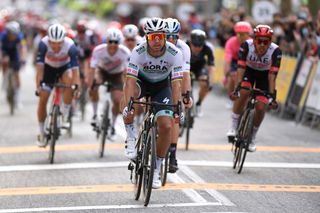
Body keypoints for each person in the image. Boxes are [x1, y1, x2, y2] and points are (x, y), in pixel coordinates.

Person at [122, 17, 183, 189]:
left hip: (162, 86)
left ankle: (156, 168)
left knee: (166, 126)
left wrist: (177, 107)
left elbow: (176, 84)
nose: (156, 41)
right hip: (142, 82)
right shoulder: (138, 51)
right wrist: (129, 106)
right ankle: (131, 136)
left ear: (165, 36)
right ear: (146, 37)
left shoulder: (175, 53)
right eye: (152, 37)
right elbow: (130, 82)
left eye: (160, 37)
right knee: (129, 97)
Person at [227, 25, 282, 152]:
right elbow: (240, 68)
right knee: (244, 91)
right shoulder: (246, 46)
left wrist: (272, 96)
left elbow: (272, 76)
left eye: (266, 41)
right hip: (248, 72)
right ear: (254, 39)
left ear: (270, 42)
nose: (262, 45)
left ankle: (252, 137)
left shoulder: (276, 51)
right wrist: (237, 87)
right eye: (259, 41)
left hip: (265, 76)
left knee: (261, 107)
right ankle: (234, 125)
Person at [35, 23, 80, 147]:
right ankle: (41, 131)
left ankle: (65, 113)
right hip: (48, 68)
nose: (55, 46)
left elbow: (76, 70)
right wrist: (38, 85)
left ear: (63, 40)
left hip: (64, 68)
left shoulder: (70, 46)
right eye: (53, 43)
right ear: (48, 40)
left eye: (59, 43)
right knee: (43, 97)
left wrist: (76, 87)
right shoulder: (43, 44)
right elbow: (39, 68)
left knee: (70, 83)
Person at [88, 28, 130, 141]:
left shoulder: (124, 52)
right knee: (94, 84)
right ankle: (95, 115)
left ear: (119, 43)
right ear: (106, 41)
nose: (112, 44)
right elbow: (92, 69)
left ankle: (112, 125)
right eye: (110, 41)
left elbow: (127, 72)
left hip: (117, 74)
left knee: (117, 100)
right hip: (102, 72)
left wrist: (126, 87)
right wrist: (91, 84)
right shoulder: (98, 50)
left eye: (115, 42)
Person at [165, 18, 192, 173]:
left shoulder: (183, 49)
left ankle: (173, 154)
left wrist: (186, 95)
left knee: (175, 113)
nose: (170, 40)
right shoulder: (153, 44)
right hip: (155, 76)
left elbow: (185, 75)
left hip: (174, 78)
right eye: (167, 36)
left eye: (174, 37)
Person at [223, 21, 252, 109]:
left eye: (243, 34)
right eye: (238, 34)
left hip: (247, 62)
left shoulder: (251, 43)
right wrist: (227, 74)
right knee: (233, 76)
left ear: (248, 34)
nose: (240, 37)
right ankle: (231, 96)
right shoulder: (231, 42)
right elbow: (227, 59)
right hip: (235, 61)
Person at [186, 29, 215, 117]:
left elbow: (211, 67)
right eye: (194, 45)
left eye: (200, 45)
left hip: (200, 67)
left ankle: (198, 103)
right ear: (190, 42)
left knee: (205, 83)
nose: (197, 48)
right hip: (186, 66)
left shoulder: (208, 48)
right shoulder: (184, 45)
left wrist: (210, 82)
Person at [1, 21, 27, 108]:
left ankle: (18, 97)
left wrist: (23, 58)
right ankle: (4, 81)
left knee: (16, 73)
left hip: (14, 53)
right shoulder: (3, 36)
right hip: (5, 52)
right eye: (12, 35)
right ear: (8, 33)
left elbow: (23, 47)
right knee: (4, 63)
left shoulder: (19, 36)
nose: (14, 36)